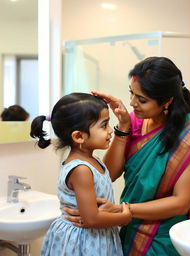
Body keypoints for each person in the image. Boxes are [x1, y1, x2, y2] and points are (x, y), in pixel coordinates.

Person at [64, 57, 190, 255]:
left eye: (142, 99)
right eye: (132, 93)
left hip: (164, 236)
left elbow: (181, 202)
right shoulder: (135, 122)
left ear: (167, 101)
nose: (132, 103)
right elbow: (109, 174)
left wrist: (124, 209)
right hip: (130, 228)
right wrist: (122, 128)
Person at [30, 93, 131, 256]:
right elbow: (92, 219)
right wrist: (124, 217)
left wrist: (124, 125)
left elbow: (106, 178)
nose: (110, 130)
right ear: (79, 136)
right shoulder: (81, 169)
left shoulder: (92, 160)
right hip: (83, 240)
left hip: (96, 235)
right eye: (104, 125)